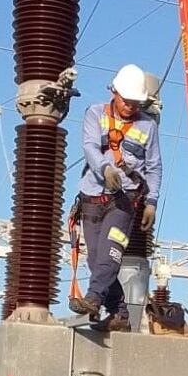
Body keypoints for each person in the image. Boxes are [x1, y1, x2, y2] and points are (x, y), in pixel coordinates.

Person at [69, 63, 162, 331]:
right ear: (114, 92)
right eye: (126, 100)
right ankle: (119, 313)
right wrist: (105, 167)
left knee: (110, 254)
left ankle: (93, 300)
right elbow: (89, 146)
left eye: (136, 102)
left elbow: (154, 166)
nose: (130, 106)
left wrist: (151, 202)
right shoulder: (94, 114)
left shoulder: (148, 126)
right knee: (95, 260)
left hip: (124, 201)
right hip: (92, 198)